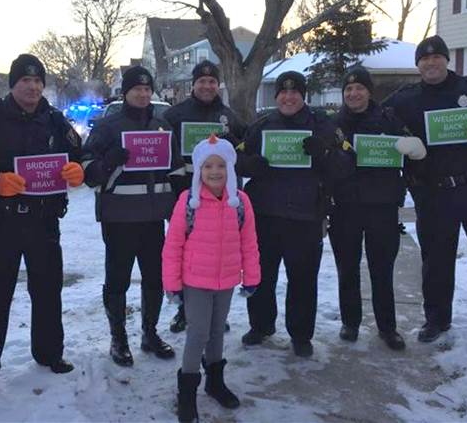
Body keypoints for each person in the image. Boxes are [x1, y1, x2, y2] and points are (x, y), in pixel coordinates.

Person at [384, 35, 467, 349]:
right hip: (433, 194)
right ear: (418, 64)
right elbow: (377, 122)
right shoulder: (405, 99)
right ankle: (436, 320)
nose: (431, 63)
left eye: (437, 57)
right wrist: (400, 143)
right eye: (424, 59)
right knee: (436, 262)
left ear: (446, 60)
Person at [0, 54, 85, 400]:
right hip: (1, 221)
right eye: (25, 81)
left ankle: (49, 352)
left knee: (48, 290)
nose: (32, 87)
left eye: (37, 81)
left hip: (44, 220)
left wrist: (77, 170)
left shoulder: (55, 119)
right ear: (13, 84)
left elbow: (76, 155)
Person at [237, 71, 353, 357]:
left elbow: (347, 164)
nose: (288, 98)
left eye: (295, 93)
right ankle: (261, 325)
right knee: (262, 275)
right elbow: (236, 157)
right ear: (276, 97)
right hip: (266, 214)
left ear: (304, 96)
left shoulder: (323, 125)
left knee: (302, 278)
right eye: (283, 93)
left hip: (306, 214)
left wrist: (325, 154)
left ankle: (301, 335)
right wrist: (249, 164)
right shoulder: (262, 125)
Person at [82, 66, 184, 367]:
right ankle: (119, 338)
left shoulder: (161, 125)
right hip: (120, 217)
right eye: (136, 89)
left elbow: (175, 167)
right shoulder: (107, 127)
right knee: (118, 279)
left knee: (154, 277)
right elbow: (88, 169)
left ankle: (149, 333)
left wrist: (180, 202)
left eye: (146, 89)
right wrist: (107, 163)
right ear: (125, 92)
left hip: (154, 217)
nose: (142, 93)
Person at [162, 135, 260, 423]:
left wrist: (251, 276)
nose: (215, 172)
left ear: (231, 168)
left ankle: (215, 381)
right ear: (199, 171)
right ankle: (187, 391)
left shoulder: (240, 202)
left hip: (226, 280)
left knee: (217, 331)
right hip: (195, 281)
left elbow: (249, 242)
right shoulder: (188, 203)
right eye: (207, 166)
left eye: (221, 165)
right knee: (198, 333)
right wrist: (172, 284)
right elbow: (173, 245)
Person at [329, 65, 427, 350]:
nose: (353, 93)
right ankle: (350, 322)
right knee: (347, 268)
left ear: (369, 92)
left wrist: (413, 147)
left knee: (382, 270)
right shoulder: (333, 124)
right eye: (348, 89)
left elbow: (415, 156)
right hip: (344, 208)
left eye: (359, 88)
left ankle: (388, 327)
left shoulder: (389, 118)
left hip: (382, 207)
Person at [163, 60, 247, 333]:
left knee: (215, 255)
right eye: (202, 81)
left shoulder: (229, 116)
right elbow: (165, 155)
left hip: (221, 203)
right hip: (187, 201)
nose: (207, 86)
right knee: (190, 257)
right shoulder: (174, 116)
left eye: (212, 82)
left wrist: (236, 144)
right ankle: (185, 311)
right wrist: (178, 193)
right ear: (194, 84)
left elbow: (244, 152)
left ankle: (214, 314)